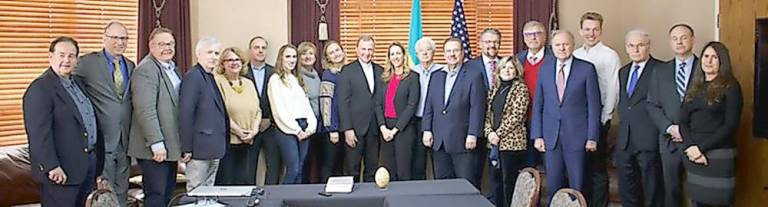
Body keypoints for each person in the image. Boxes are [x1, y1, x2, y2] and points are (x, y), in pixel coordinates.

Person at [24, 36, 104, 207]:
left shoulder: (78, 84)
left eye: (71, 56)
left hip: (87, 165)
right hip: (61, 171)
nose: (66, 60)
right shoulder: (40, 88)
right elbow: (38, 135)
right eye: (62, 55)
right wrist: (51, 166)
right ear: (50, 57)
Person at [530, 30, 601, 201]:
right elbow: (538, 104)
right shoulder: (545, 68)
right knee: (553, 186)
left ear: (573, 45)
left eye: (566, 44)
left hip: (577, 136)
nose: (562, 48)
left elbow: (594, 106)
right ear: (552, 47)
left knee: (577, 186)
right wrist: (537, 135)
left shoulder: (586, 69)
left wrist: (592, 137)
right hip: (550, 137)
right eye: (557, 45)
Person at [73, 21, 134, 207]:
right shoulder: (87, 63)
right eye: (115, 37)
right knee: (105, 194)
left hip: (126, 139)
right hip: (103, 139)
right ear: (104, 38)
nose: (120, 42)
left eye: (124, 38)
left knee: (123, 189)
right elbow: (65, 81)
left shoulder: (131, 65)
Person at [680, 41, 742, 207]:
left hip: (718, 155)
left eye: (714, 57)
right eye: (706, 56)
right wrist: (691, 147)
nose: (708, 61)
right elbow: (682, 121)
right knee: (698, 202)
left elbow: (730, 125)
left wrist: (701, 148)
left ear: (722, 61)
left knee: (719, 203)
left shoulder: (731, 87)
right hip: (693, 155)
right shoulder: (695, 86)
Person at [128, 27, 182, 207]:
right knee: (156, 196)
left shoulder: (171, 68)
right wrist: (156, 143)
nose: (167, 48)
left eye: (170, 44)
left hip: (170, 145)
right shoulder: (146, 70)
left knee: (167, 194)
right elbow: (145, 110)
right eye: (162, 44)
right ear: (151, 46)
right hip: (155, 149)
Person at [422, 38, 486, 189]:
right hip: (439, 142)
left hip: (463, 141)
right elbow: (429, 105)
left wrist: (473, 134)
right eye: (448, 51)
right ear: (444, 54)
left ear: (462, 53)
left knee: (466, 186)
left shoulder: (474, 75)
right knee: (443, 186)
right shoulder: (436, 75)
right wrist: (426, 130)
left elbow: (477, 107)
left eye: (455, 50)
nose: (452, 54)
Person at [646, 23, 699, 207]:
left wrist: (687, 131)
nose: (679, 42)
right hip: (669, 142)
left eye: (684, 37)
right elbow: (652, 105)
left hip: (698, 141)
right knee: (672, 192)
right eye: (675, 38)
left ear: (692, 39)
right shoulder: (660, 71)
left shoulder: (705, 68)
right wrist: (670, 128)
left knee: (697, 192)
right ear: (670, 42)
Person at [572, 12, 621, 206]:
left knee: (597, 170)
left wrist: (603, 119)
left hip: (598, 120)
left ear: (601, 31)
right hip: (577, 122)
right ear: (580, 30)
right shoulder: (575, 54)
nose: (591, 33)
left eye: (595, 29)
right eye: (587, 29)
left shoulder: (610, 56)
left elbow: (613, 89)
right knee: (579, 168)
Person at [616, 29, 664, 207]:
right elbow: (625, 104)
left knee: (653, 191)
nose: (635, 49)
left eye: (640, 45)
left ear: (648, 46)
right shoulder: (623, 71)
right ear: (627, 48)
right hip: (625, 141)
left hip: (649, 140)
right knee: (628, 192)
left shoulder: (661, 69)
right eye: (631, 45)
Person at [179, 37, 228, 191]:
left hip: (213, 147)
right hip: (198, 149)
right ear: (198, 54)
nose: (214, 56)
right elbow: (186, 113)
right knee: (196, 190)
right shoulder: (193, 77)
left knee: (208, 191)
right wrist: (186, 147)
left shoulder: (209, 76)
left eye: (216, 53)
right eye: (209, 52)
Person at [482, 56, 530, 207]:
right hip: (494, 144)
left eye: (510, 68)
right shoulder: (495, 88)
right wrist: (489, 133)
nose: (507, 71)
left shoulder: (521, 88)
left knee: (508, 183)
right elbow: (487, 114)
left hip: (511, 145)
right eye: (504, 67)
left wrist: (498, 134)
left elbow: (516, 115)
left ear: (517, 71)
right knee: (494, 183)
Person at [268, 44, 318, 184]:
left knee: (300, 169)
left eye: (294, 56)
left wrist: (310, 128)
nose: (292, 60)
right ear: (281, 59)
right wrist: (296, 130)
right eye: (288, 56)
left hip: (304, 127)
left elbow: (306, 107)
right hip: (287, 129)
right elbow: (279, 111)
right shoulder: (275, 80)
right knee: (294, 168)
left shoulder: (296, 79)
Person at [336, 35, 383, 182]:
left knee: (372, 169)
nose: (367, 52)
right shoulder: (347, 70)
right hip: (354, 129)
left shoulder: (380, 70)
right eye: (363, 49)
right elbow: (342, 102)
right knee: (352, 169)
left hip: (374, 128)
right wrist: (347, 129)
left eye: (370, 49)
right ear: (357, 50)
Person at [214, 47, 262, 185]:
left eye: (237, 60)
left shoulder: (248, 83)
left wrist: (254, 131)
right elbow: (220, 113)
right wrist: (239, 132)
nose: (234, 63)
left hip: (248, 141)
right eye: (230, 60)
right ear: (223, 64)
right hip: (228, 143)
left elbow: (258, 110)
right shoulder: (218, 82)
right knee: (228, 182)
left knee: (245, 181)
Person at [374, 42, 420, 181]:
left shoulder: (413, 77)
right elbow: (377, 105)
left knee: (403, 171)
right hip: (385, 129)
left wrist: (394, 131)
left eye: (398, 53)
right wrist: (383, 128)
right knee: (388, 171)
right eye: (392, 54)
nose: (396, 57)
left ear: (404, 55)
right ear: (389, 57)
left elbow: (412, 106)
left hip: (403, 130)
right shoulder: (384, 78)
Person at [516, 20, 555, 168]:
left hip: (548, 121)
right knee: (527, 167)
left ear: (545, 37)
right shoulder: (517, 60)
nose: (533, 38)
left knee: (551, 166)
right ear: (524, 38)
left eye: (537, 33)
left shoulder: (555, 58)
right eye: (529, 34)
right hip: (523, 122)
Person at [243, 36, 281, 185]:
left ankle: (269, 198)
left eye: (263, 48)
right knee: (248, 167)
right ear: (250, 50)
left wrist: (269, 119)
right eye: (256, 47)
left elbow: (279, 101)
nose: (260, 51)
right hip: (249, 128)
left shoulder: (274, 73)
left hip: (270, 126)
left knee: (274, 167)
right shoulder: (242, 71)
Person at [410, 37, 443, 180]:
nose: (424, 53)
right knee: (418, 162)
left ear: (434, 52)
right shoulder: (411, 72)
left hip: (438, 121)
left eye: (428, 50)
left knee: (439, 162)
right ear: (416, 54)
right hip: (417, 121)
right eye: (420, 51)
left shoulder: (443, 71)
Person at [319, 40, 347, 182]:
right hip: (333, 128)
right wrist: (332, 129)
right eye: (331, 52)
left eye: (337, 50)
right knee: (330, 165)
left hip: (346, 127)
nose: (336, 54)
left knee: (341, 167)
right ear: (327, 58)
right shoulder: (328, 75)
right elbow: (326, 103)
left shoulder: (348, 71)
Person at [297, 41, 321, 183]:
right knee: (302, 163)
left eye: (311, 53)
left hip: (316, 125)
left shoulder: (316, 75)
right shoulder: (298, 77)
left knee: (313, 161)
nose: (307, 56)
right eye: (304, 53)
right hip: (304, 125)